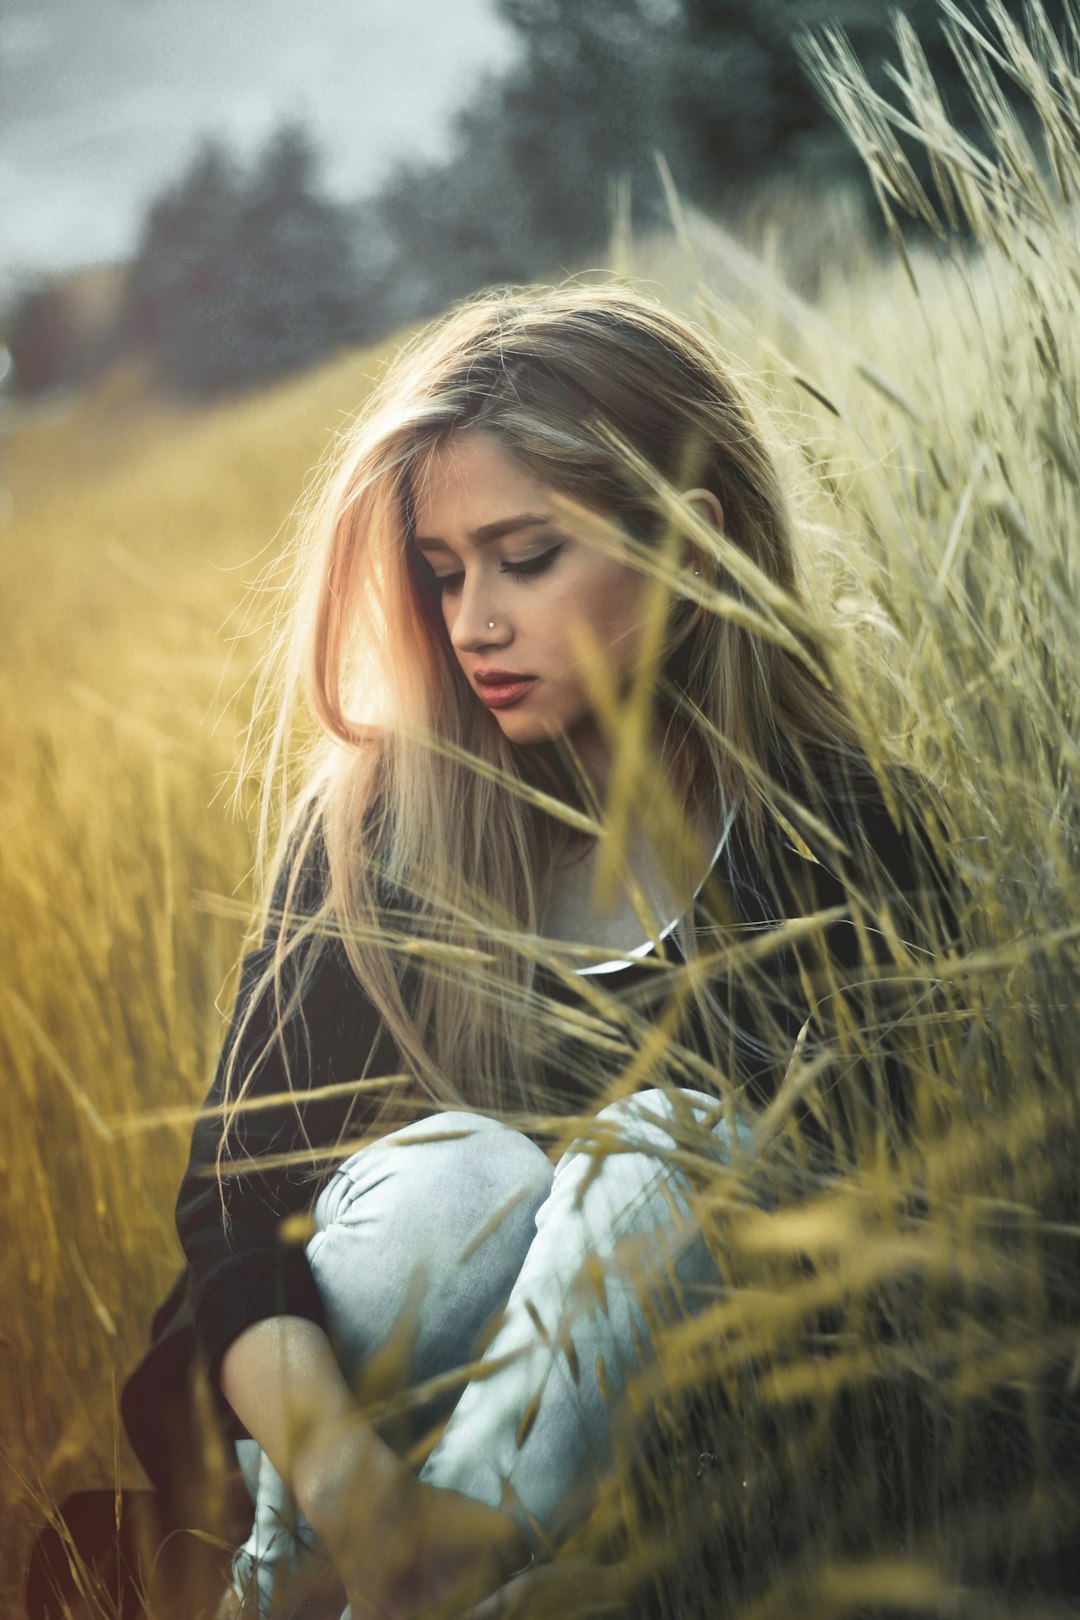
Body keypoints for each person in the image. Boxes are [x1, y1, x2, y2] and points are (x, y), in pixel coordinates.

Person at [104, 283, 960, 1620]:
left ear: (688, 540)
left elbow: (858, 1259)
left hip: (687, 1438)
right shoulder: (389, 821)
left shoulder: (841, 841)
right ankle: (348, 1576)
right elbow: (231, 1217)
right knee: (464, 1186)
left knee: (669, 1149)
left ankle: (443, 1576)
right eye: (443, 573)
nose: (472, 623)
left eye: (525, 556)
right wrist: (363, 1494)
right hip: (321, 1436)